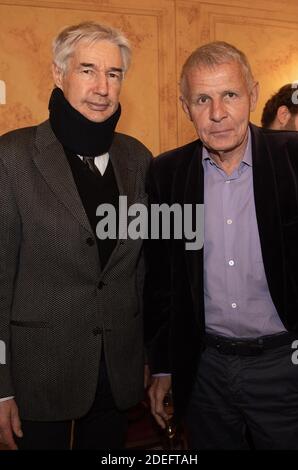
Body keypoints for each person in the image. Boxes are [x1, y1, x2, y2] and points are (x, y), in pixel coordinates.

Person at [0, 21, 152, 450]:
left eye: (114, 73)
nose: (102, 86)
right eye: (87, 70)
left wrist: (145, 357)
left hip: (116, 373)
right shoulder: (12, 158)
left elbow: (140, 271)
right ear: (58, 74)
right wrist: (0, 387)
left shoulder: (137, 158)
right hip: (37, 377)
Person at [144, 41, 298, 449]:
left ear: (252, 93)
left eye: (230, 94)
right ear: (185, 106)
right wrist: (162, 367)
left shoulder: (295, 160)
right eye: (202, 99)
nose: (217, 113)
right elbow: (161, 282)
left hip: (286, 366)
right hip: (205, 371)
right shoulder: (166, 174)